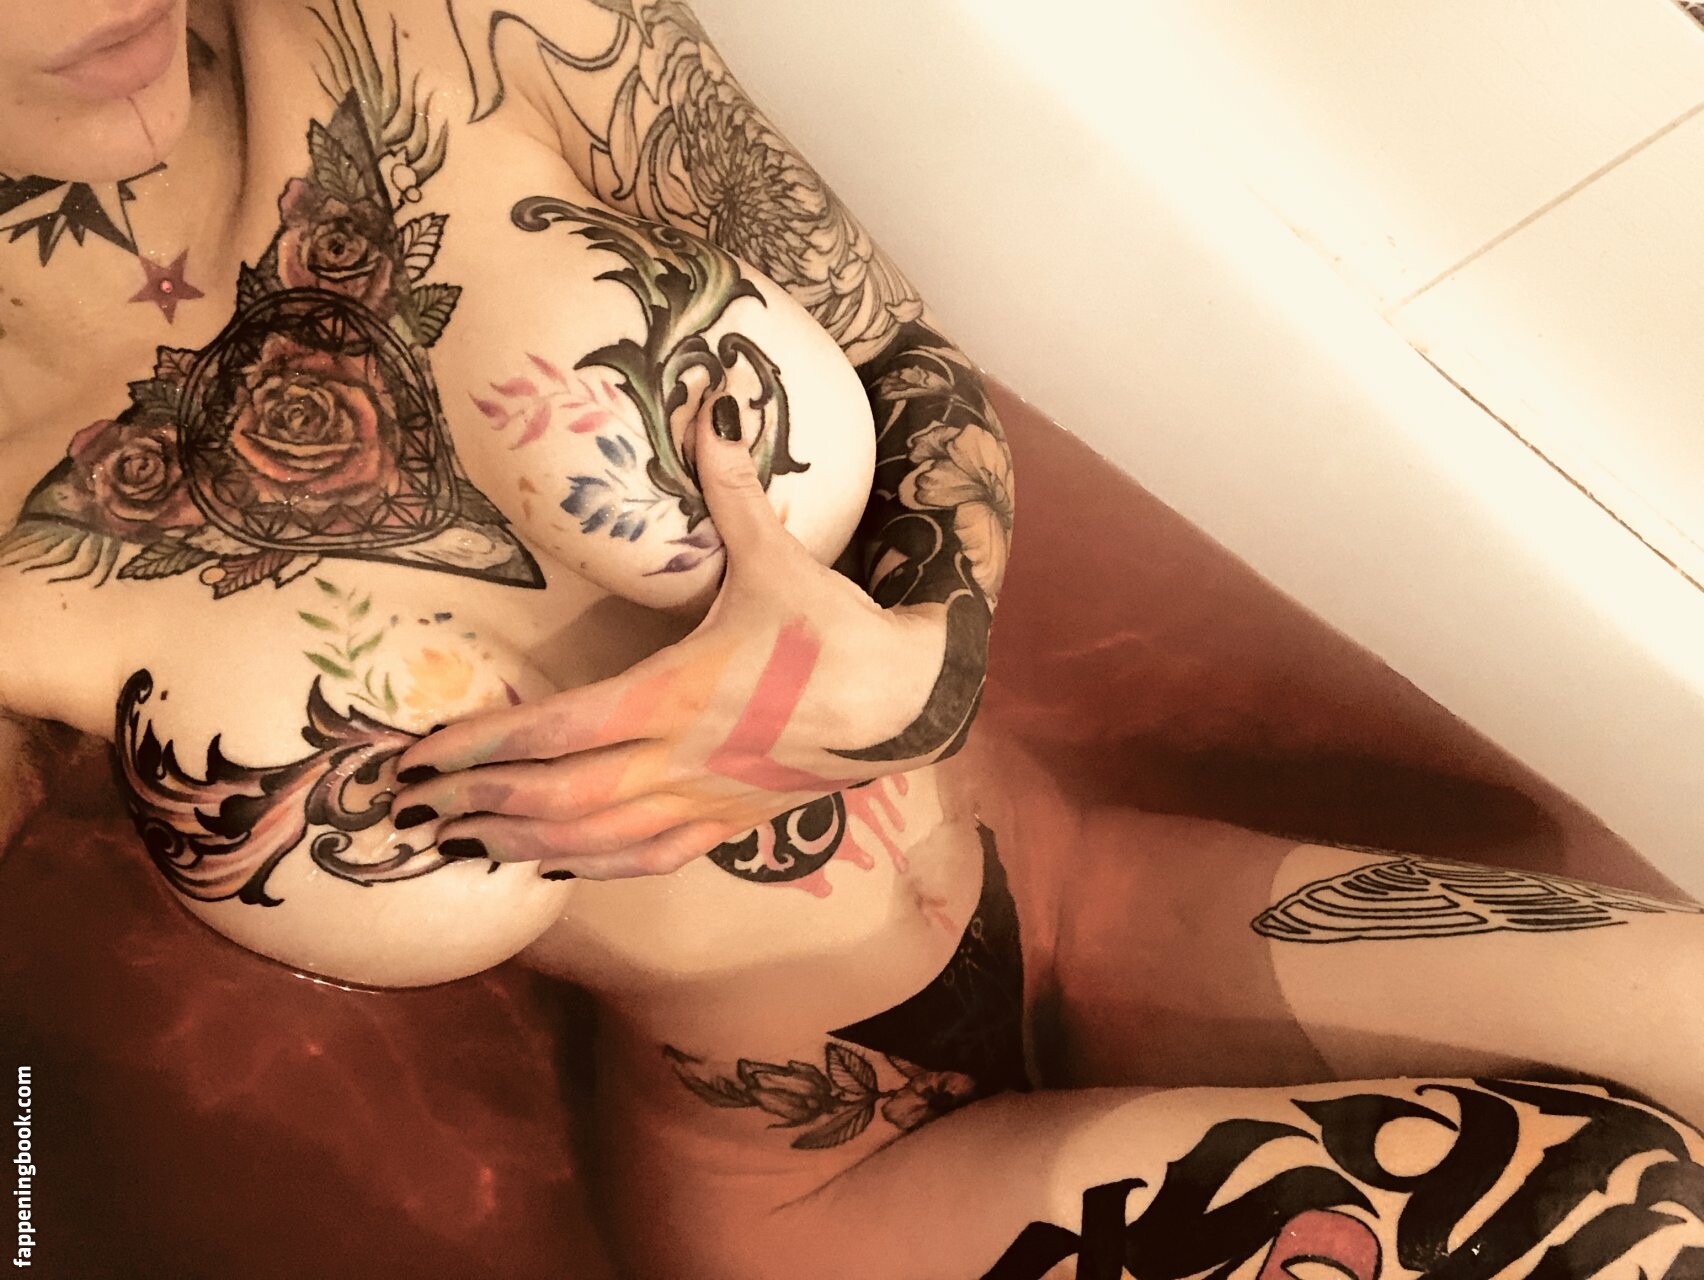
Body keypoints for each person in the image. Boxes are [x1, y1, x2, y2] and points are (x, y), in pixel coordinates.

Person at [0, 3, 1699, 1277]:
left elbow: (901, 363)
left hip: (1089, 897)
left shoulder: (448, 21)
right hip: (811, 1160)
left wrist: (926, 658)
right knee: (1632, 1222)